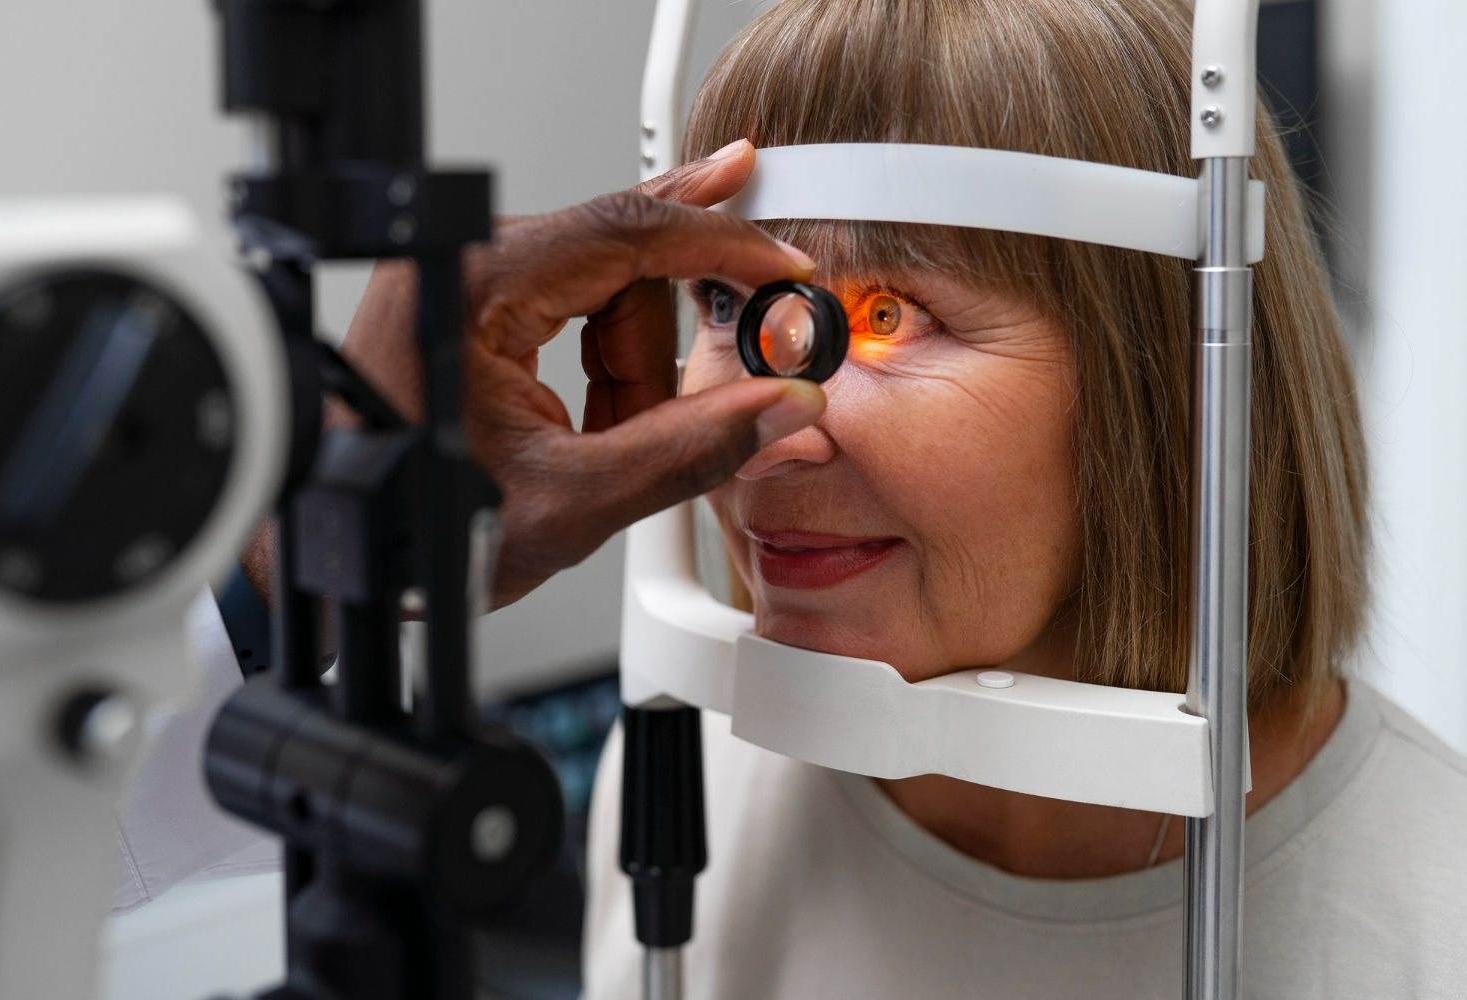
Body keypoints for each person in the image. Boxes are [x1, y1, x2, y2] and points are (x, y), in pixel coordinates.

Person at [579, 0, 1467, 997]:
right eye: (729, 303)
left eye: (886, 313)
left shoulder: (1435, 924)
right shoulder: (684, 770)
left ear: (1162, 385)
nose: (751, 440)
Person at [110, 140, 831, 910]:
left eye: (889, 316)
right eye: (728, 304)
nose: (775, 447)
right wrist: (309, 553)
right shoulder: (675, 795)